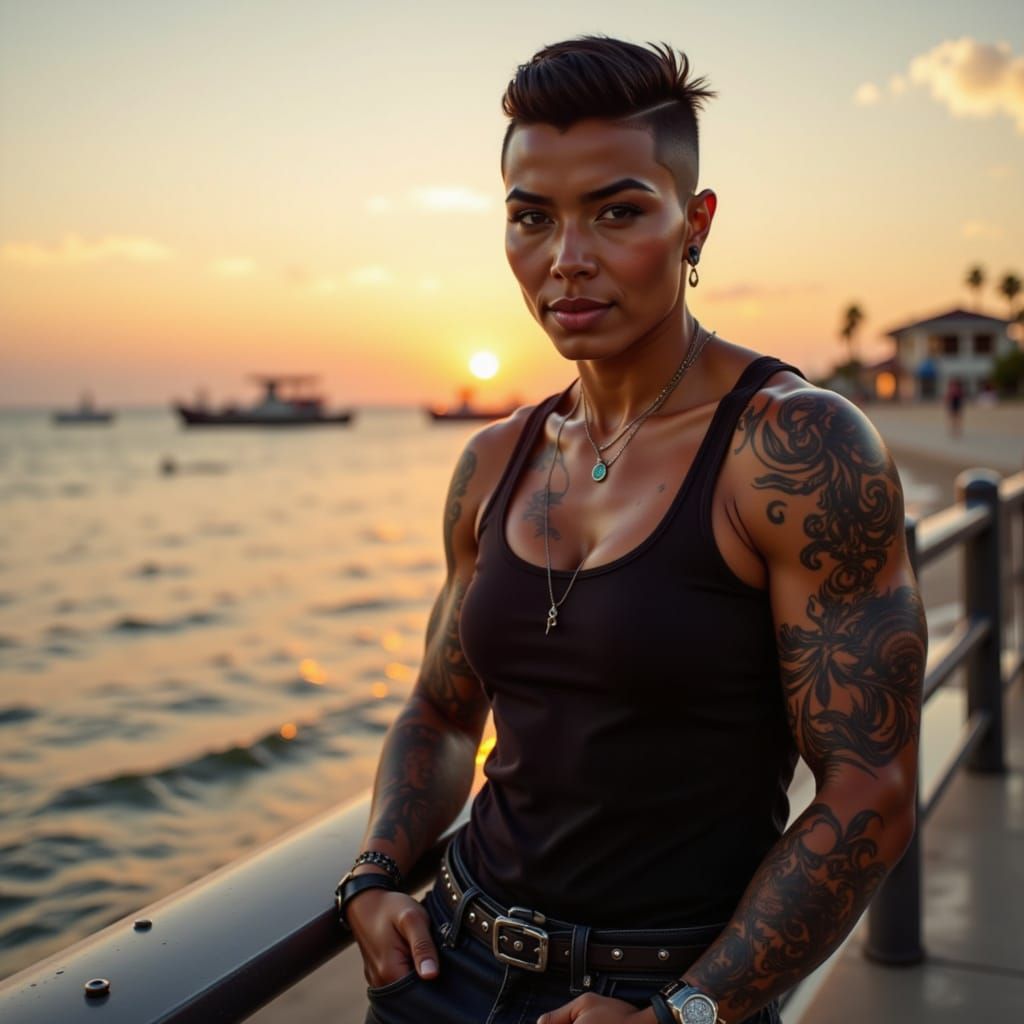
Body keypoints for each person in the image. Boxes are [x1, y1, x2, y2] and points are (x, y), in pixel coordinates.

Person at [336, 36, 926, 1024]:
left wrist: (686, 1012)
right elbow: (440, 716)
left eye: (616, 212)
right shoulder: (494, 460)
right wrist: (371, 878)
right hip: (442, 965)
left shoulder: (794, 449)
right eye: (531, 218)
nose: (566, 260)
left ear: (693, 224)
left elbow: (870, 789)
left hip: (669, 989)